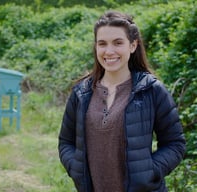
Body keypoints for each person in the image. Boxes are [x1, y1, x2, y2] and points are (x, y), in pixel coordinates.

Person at [58, 10, 186, 192]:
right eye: (102, 44)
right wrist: (76, 168)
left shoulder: (151, 90)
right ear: (96, 47)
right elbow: (65, 142)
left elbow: (175, 144)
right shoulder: (81, 93)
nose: (109, 51)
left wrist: (149, 172)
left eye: (118, 43)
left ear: (132, 45)